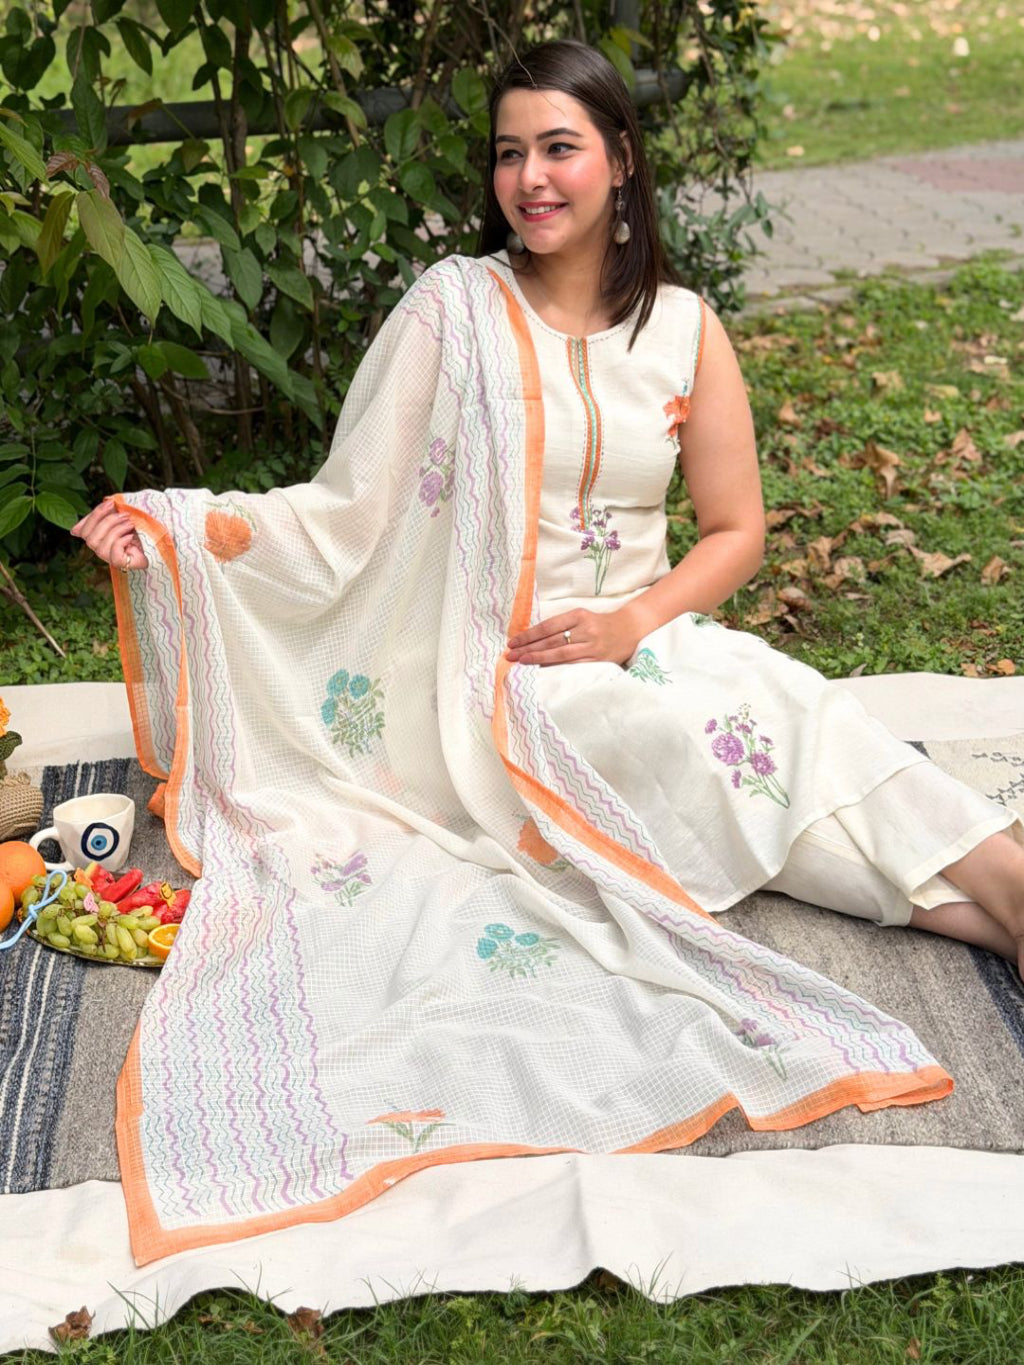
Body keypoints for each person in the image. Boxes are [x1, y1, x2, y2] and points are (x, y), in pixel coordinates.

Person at [67, 40, 1021, 1262]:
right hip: (501, 682)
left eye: (559, 147)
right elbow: (349, 505)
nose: (531, 177)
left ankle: (1007, 909)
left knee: (790, 710)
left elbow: (737, 531)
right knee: (685, 744)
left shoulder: (682, 327)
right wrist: (185, 529)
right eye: (510, 152)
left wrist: (634, 624)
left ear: (620, 161)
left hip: (652, 633)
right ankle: (1004, 911)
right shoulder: (452, 310)